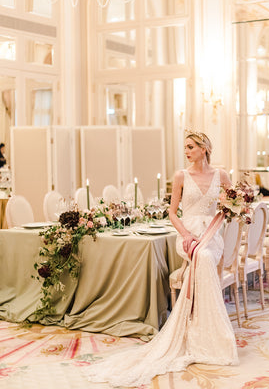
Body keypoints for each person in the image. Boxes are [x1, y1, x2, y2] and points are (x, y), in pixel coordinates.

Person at [83, 131, 238, 387]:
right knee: (200, 256)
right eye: (185, 147)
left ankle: (205, 332)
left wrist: (232, 210)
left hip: (211, 236)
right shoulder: (180, 176)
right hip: (188, 237)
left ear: (204, 148)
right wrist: (186, 234)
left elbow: (229, 208)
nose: (186, 151)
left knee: (206, 257)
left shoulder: (221, 175)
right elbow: (172, 212)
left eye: (190, 147)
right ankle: (202, 331)